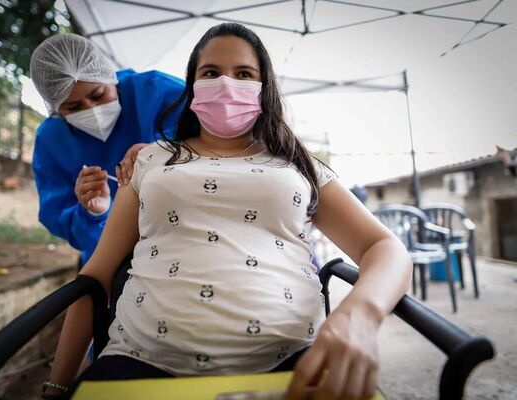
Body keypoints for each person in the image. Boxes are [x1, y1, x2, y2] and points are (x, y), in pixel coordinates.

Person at [42, 23, 412, 400]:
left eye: (244, 74)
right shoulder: (150, 160)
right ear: (191, 86)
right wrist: (56, 387)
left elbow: (384, 246)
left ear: (264, 87)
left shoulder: (299, 165)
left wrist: (359, 316)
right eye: (211, 72)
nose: (226, 84)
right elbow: (97, 276)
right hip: (141, 360)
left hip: (292, 359)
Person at [30, 33, 184, 264]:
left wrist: (164, 152)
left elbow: (218, 145)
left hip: (183, 241)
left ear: (110, 77)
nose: (91, 109)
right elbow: (57, 213)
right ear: (55, 109)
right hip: (111, 260)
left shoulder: (158, 92)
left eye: (98, 95)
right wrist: (94, 213)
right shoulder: (51, 139)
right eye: (73, 107)